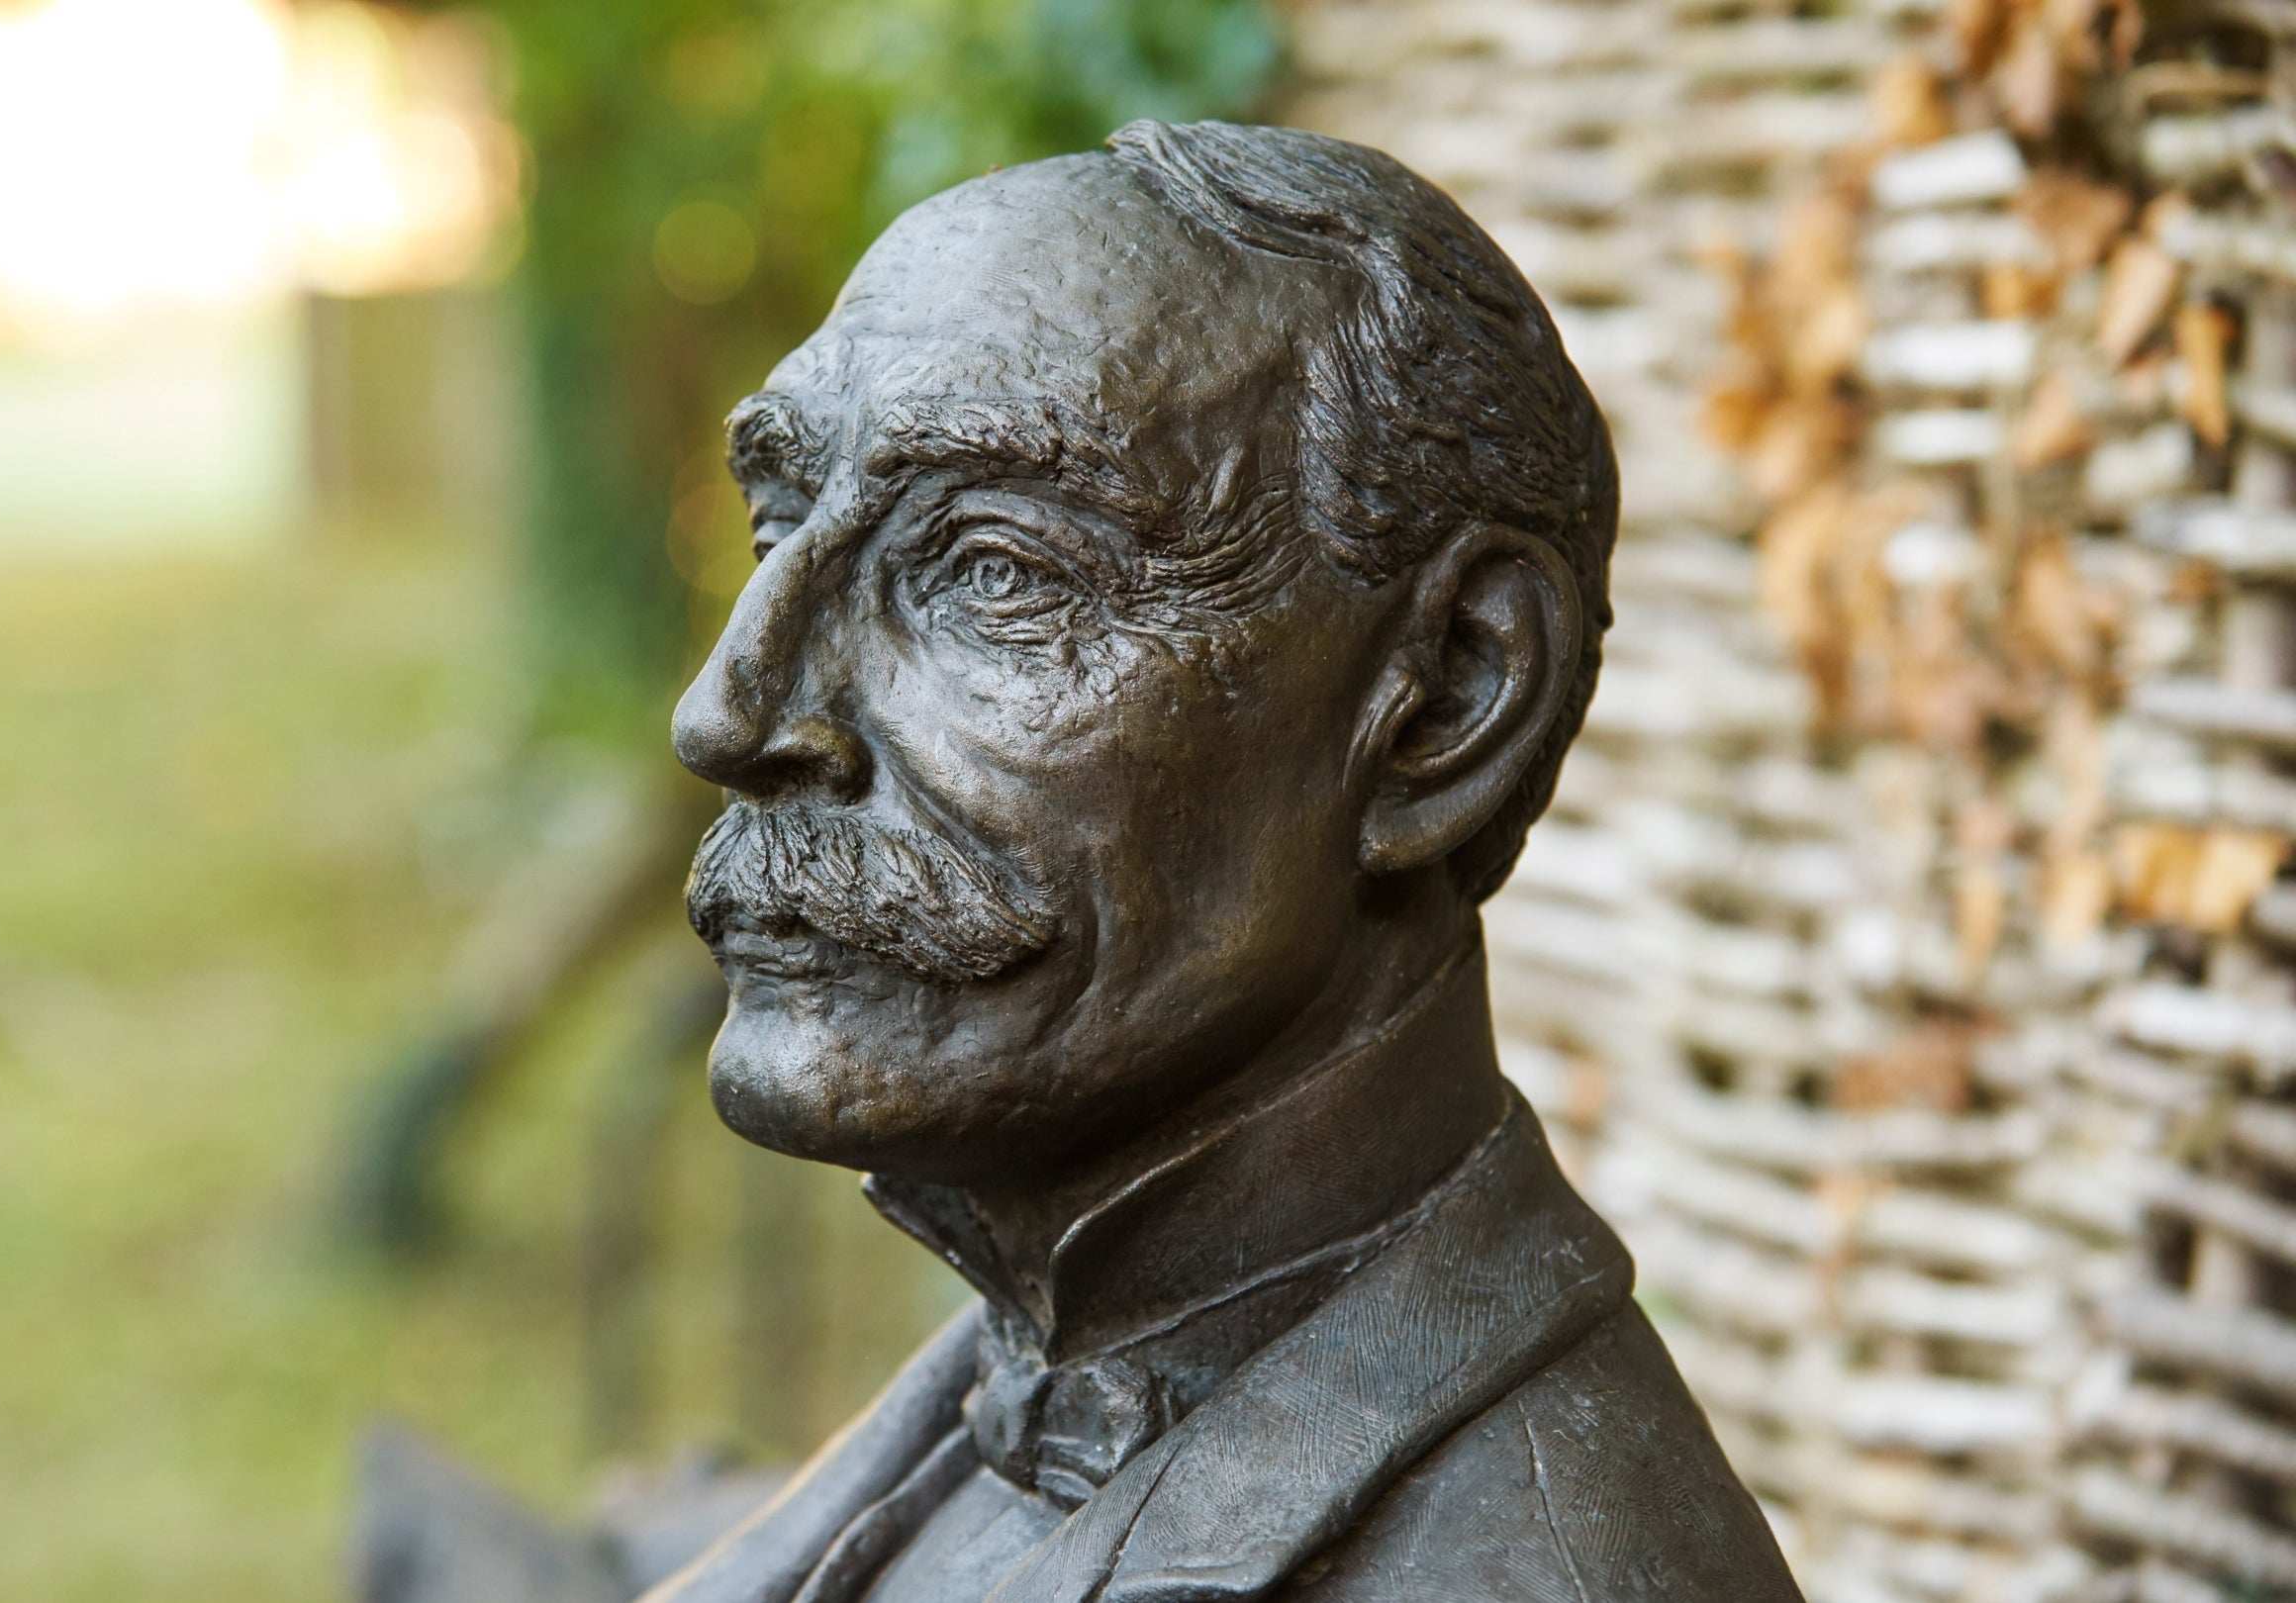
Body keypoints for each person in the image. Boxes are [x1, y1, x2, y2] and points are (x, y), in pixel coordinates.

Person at [655, 121, 1801, 1603]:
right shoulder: (1026, 1375)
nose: (732, 713)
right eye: (781, 525)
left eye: (994, 568)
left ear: (1447, 700)